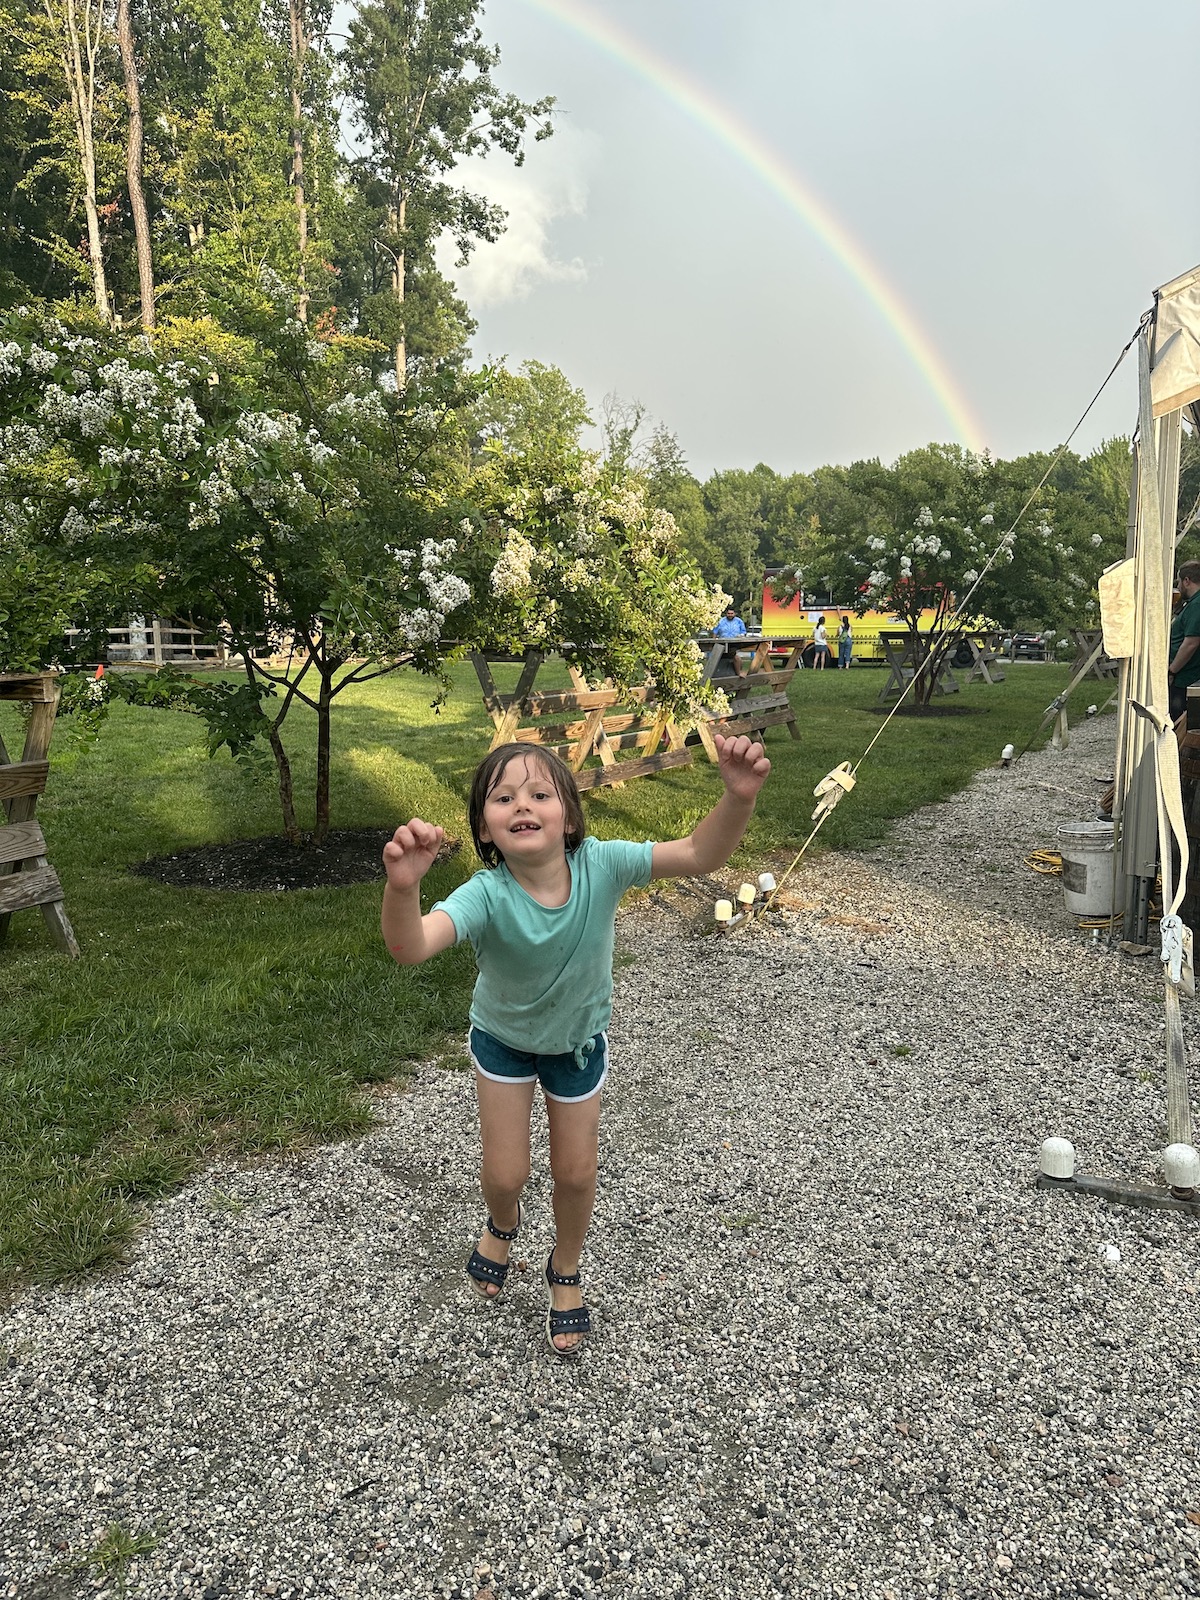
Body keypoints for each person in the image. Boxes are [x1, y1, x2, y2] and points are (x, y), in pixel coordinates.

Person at [380, 734, 772, 1357]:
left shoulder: (603, 864)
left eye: (540, 792)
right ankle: (502, 1223)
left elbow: (701, 852)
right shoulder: (485, 894)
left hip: (577, 1047)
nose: (522, 805)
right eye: (503, 797)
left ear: (568, 813)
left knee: (576, 1171)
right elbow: (410, 948)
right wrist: (402, 889)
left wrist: (738, 797)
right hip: (503, 1042)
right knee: (507, 1174)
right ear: (485, 827)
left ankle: (565, 1268)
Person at [1169, 560, 1200, 721]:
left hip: (1187, 677)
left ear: (1187, 581)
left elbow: (1191, 643)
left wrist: (1172, 670)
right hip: (1184, 676)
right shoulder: (1191, 604)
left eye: (1179, 581)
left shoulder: (1197, 605)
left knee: (1179, 725)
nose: (1178, 586)